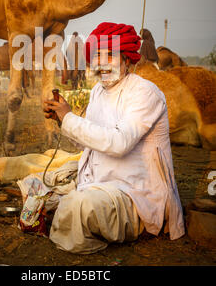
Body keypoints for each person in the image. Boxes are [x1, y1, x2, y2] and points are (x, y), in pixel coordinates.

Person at [43, 22, 185, 254]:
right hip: (97, 182)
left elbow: (119, 143)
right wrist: (63, 120)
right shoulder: (99, 91)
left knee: (79, 205)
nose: (101, 64)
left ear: (127, 60)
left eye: (109, 56)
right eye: (97, 56)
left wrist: (69, 118)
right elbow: (87, 142)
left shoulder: (144, 92)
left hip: (135, 194)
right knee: (37, 186)